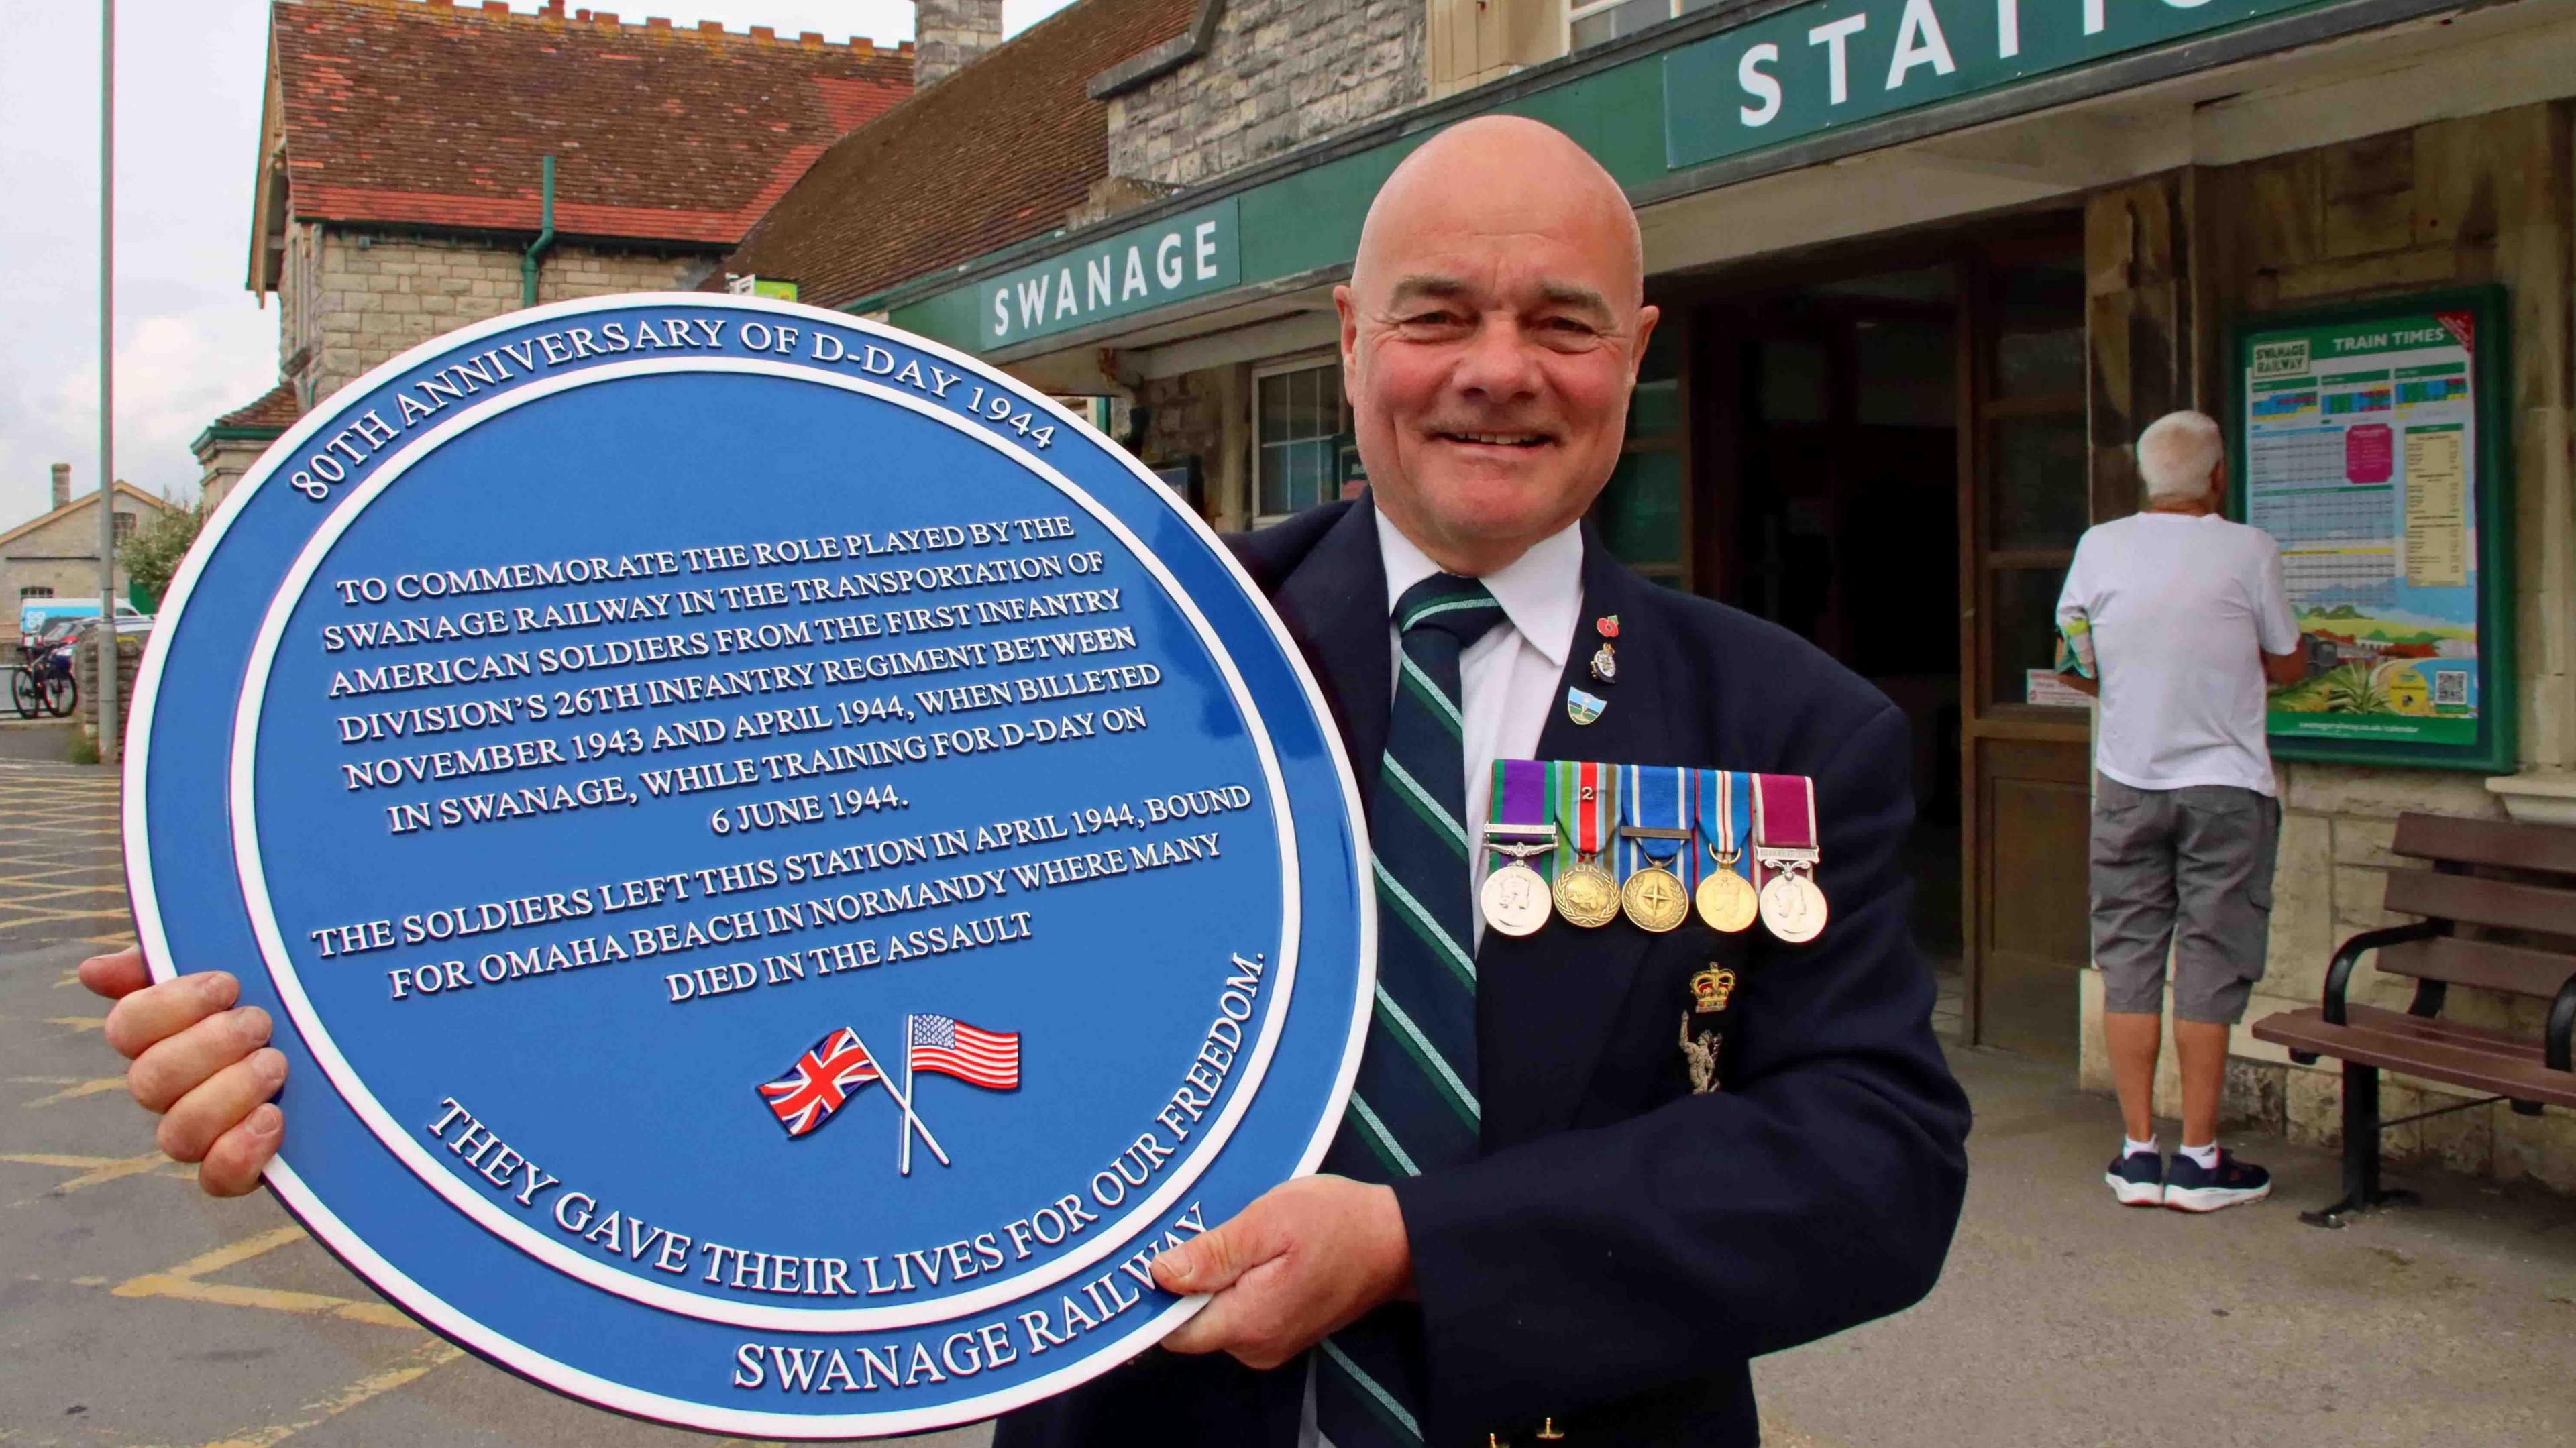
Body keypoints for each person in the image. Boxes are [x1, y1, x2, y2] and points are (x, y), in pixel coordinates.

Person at [80, 117, 1970, 1446]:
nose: (1496, 370)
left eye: (1561, 321)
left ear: (1635, 354)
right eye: (1437, 314)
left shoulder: (1788, 725)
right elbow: (739, 881)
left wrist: (1419, 1246)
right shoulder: (1104, 639)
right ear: (1347, 338)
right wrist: (322, 1064)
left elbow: (1873, 1163)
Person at [2055, 409, 2304, 1216]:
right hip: (2227, 784)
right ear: (2219, 476)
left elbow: (2074, 662)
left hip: (2127, 776)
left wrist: (2133, 682)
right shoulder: (2249, 547)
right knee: (2209, 956)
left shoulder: (2100, 546)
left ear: (2144, 478)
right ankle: (2198, 1158)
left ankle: (2135, 1151)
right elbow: (2289, 661)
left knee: (2128, 951)